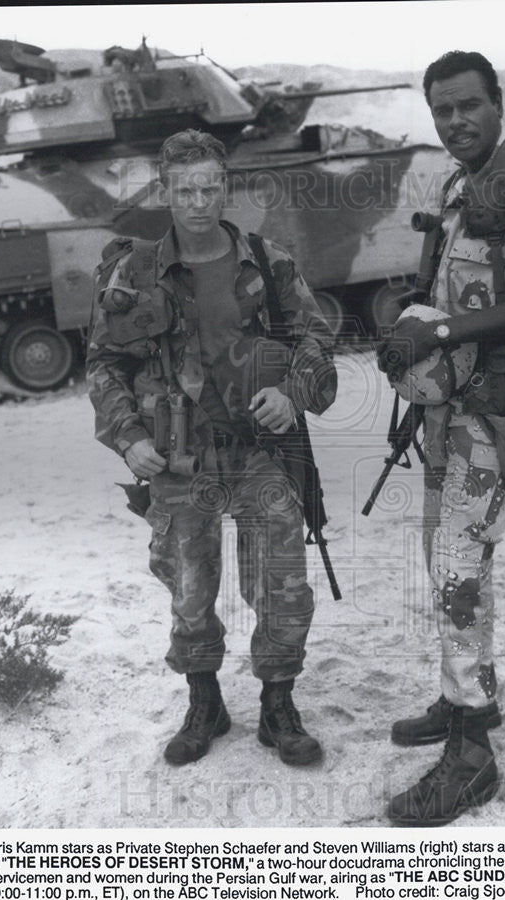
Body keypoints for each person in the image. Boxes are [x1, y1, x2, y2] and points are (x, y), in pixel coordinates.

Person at [378, 51, 505, 826]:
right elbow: (449, 284)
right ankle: (465, 697)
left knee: (458, 574)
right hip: (448, 412)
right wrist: (410, 316)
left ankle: (470, 757)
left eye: (468, 105)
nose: (455, 121)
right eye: (441, 111)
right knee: (448, 563)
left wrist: (442, 332)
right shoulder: (458, 184)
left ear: (498, 102)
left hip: (494, 415)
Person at [86, 129, 337, 768]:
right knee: (189, 589)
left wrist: (291, 392)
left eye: (210, 188)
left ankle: (278, 706)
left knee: (281, 584)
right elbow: (104, 363)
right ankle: (204, 701)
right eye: (184, 190)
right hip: (176, 459)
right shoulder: (135, 271)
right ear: (166, 191)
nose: (198, 202)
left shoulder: (266, 260)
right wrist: (128, 436)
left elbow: (315, 339)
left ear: (225, 187)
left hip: (260, 452)